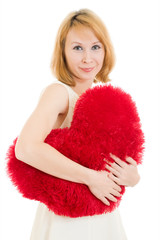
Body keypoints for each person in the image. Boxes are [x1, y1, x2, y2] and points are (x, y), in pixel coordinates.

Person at [15, 8, 140, 240]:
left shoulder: (102, 101)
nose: (87, 58)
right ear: (62, 52)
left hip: (103, 215)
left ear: (105, 50)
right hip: (67, 220)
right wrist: (91, 178)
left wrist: (132, 177)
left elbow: (112, 160)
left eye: (95, 47)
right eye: (77, 48)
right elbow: (26, 148)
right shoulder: (59, 92)